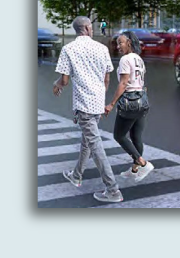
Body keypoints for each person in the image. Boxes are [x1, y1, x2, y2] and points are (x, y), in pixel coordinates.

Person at [51, 16, 123, 202]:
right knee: (88, 141)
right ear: (87, 28)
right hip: (97, 103)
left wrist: (56, 84)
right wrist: (100, 95)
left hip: (83, 104)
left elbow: (64, 80)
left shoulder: (68, 49)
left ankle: (113, 190)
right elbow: (107, 78)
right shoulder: (102, 48)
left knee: (95, 145)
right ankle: (76, 175)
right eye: (92, 26)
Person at [107, 32, 153, 182]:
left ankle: (143, 163)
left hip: (130, 101)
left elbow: (123, 83)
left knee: (119, 135)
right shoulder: (139, 59)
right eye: (117, 43)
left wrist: (112, 104)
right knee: (135, 136)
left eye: (120, 43)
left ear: (129, 43)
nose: (118, 46)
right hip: (142, 101)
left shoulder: (125, 59)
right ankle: (135, 170)